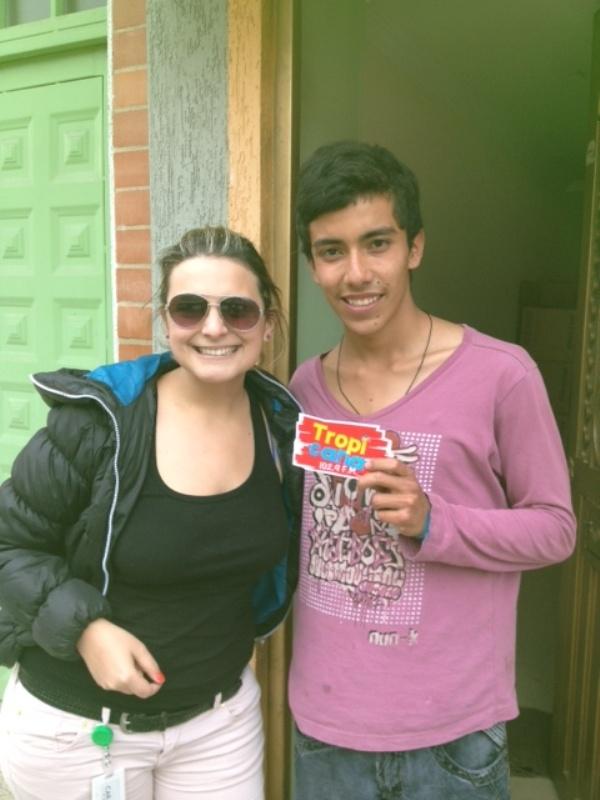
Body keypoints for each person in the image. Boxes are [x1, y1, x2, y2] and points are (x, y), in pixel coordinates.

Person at [288, 141, 576, 800]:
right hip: (327, 729)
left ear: (414, 247)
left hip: (453, 735)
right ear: (312, 266)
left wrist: (433, 521)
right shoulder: (304, 389)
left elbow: (555, 529)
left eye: (377, 244)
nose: (356, 273)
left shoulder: (502, 375)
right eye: (332, 251)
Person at [0, 225, 302, 800]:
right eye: (190, 308)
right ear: (167, 321)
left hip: (220, 724)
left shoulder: (281, 427)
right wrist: (85, 629)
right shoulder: (99, 423)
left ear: (267, 323)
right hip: (80, 733)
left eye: (237, 310)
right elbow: (8, 544)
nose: (213, 327)